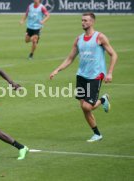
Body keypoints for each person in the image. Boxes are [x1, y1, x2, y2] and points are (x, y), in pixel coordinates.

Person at [50, 12, 118, 142]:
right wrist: (57, 69)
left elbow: (113, 55)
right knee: (84, 108)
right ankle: (97, 134)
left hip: (96, 75)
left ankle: (103, 100)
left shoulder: (100, 37)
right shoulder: (79, 39)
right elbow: (70, 58)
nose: (83, 22)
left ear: (92, 22)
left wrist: (109, 72)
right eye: (82, 20)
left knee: (87, 106)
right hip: (81, 75)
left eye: (86, 20)